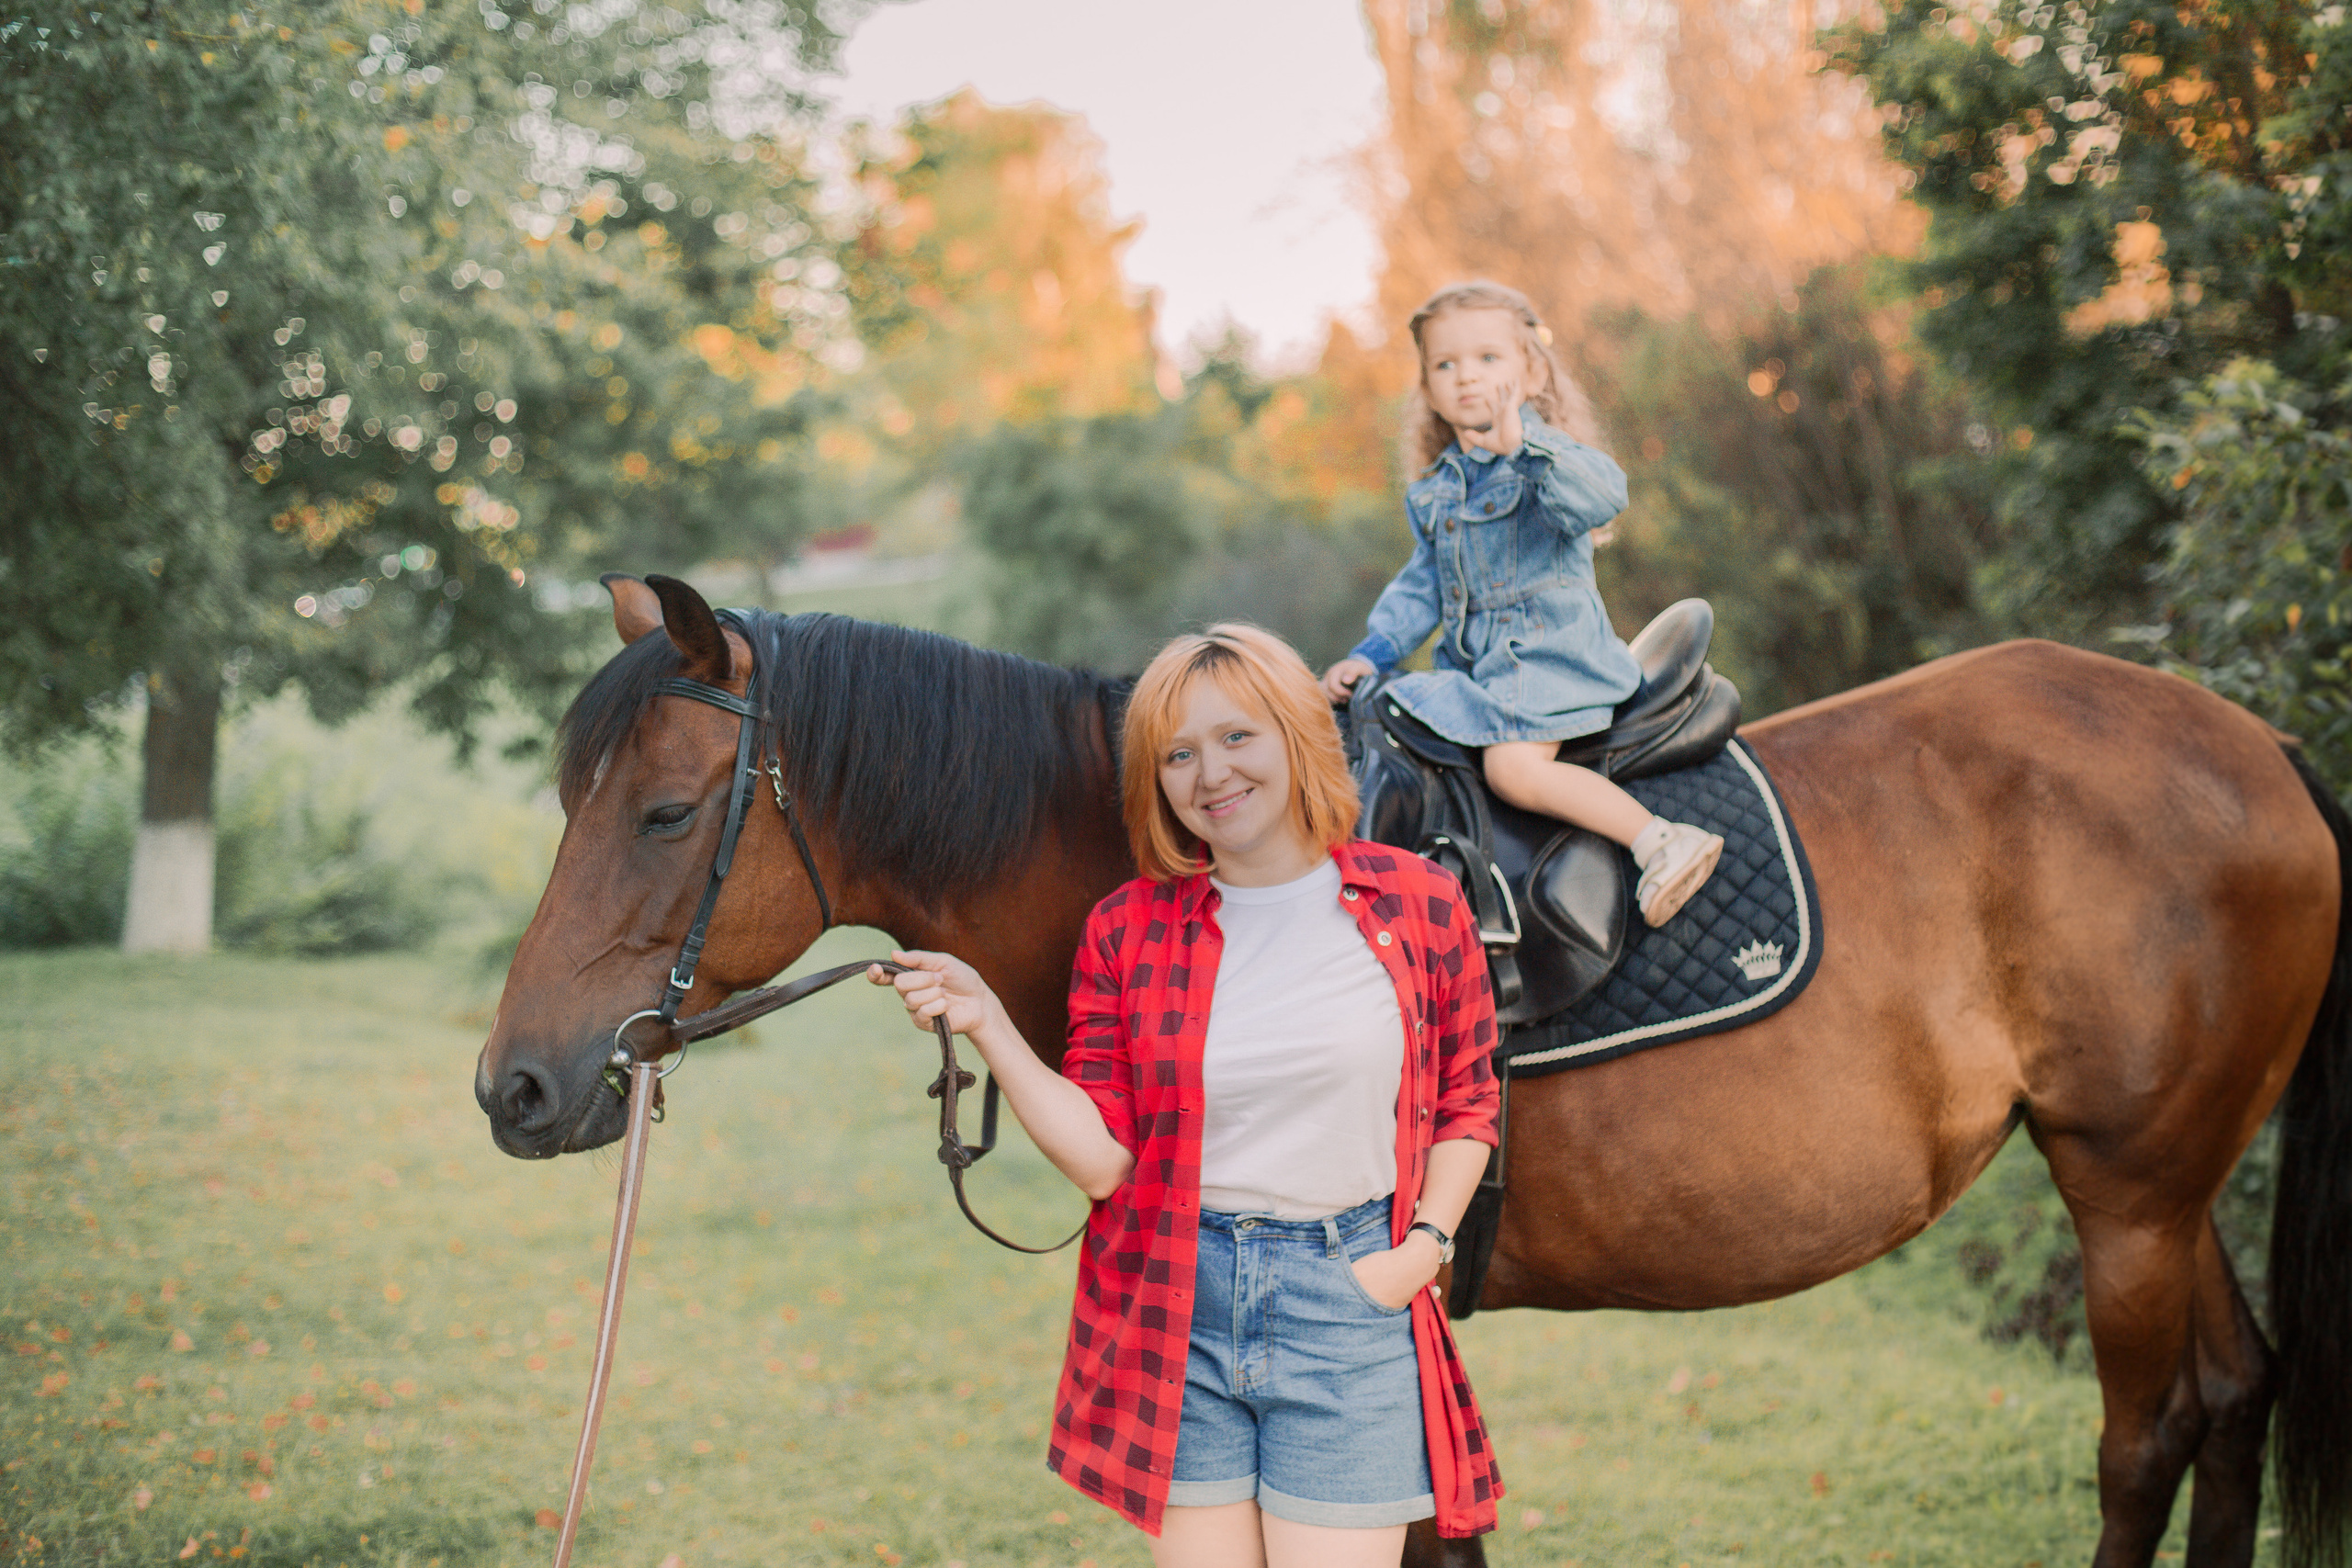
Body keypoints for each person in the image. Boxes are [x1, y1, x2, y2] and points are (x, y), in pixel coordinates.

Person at [870, 623, 1505, 1568]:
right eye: (1178, 754)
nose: (1210, 775)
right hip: (1180, 1302)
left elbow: (1466, 1101)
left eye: (1236, 737)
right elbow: (1103, 1162)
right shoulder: (1128, 932)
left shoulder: (1414, 901)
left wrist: (1421, 1249)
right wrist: (989, 1023)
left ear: (1296, 733)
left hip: (1349, 1296)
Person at [1320, 280, 1723, 927]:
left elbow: (1600, 496)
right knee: (1390, 727)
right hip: (1481, 675)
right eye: (1444, 364)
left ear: (1532, 371)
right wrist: (1374, 651)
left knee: (1511, 768)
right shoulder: (1436, 491)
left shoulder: (1549, 461)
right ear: (1426, 387)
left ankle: (1659, 839)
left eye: (1487, 359)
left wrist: (1524, 446)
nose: (1465, 378)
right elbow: (1422, 583)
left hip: (1551, 665)